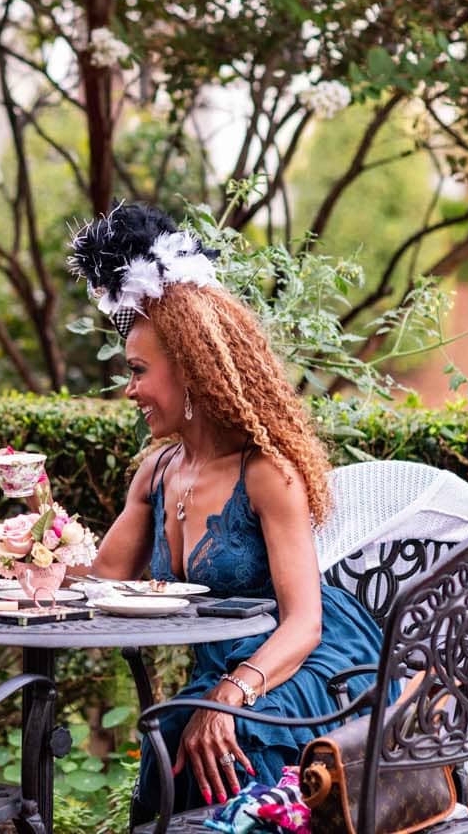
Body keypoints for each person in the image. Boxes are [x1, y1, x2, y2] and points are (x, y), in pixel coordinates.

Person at [68, 203, 395, 823]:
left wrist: (230, 696)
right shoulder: (158, 472)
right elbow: (101, 578)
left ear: (191, 371)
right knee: (174, 736)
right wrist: (35, 535)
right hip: (224, 674)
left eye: (139, 372)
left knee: (219, 738)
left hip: (306, 668)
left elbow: (305, 625)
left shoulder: (267, 473)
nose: (130, 389)